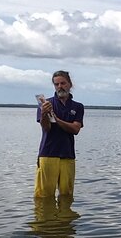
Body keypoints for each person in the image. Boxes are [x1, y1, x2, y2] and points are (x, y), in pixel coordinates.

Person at [35, 71, 85, 199]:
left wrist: (57, 120)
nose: (59, 87)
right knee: (44, 196)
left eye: (63, 83)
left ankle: (65, 218)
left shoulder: (78, 107)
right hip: (48, 153)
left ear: (70, 84)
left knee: (67, 195)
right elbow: (46, 128)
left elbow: (75, 129)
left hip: (67, 155)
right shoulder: (46, 104)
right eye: (56, 84)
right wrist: (44, 114)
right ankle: (45, 218)